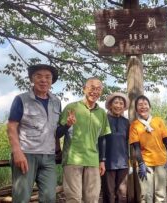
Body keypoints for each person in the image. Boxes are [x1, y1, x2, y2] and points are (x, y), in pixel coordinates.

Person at [7, 64, 61, 203]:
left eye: (47, 77)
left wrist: (58, 149)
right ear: (32, 79)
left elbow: (54, 129)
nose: (43, 80)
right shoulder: (21, 99)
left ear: (52, 81)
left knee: (49, 197)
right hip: (26, 154)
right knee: (22, 197)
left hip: (48, 156)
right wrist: (17, 152)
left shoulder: (56, 102)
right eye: (39, 76)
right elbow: (12, 127)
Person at [58, 77, 111, 203]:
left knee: (92, 199)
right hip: (72, 159)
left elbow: (102, 137)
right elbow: (57, 133)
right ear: (84, 89)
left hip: (93, 160)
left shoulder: (102, 113)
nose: (95, 91)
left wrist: (102, 161)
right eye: (92, 88)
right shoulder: (72, 107)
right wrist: (68, 125)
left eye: (98, 89)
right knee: (74, 199)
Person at [129, 95, 167, 203]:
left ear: (150, 106)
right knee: (146, 194)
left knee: (161, 194)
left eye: (145, 104)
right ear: (136, 109)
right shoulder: (135, 125)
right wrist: (140, 163)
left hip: (161, 161)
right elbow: (136, 146)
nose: (143, 107)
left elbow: (166, 140)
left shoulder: (158, 121)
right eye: (140, 105)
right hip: (145, 163)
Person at [102, 92, 130, 203]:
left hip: (123, 162)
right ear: (110, 105)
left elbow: (128, 141)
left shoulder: (126, 122)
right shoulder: (104, 119)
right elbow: (101, 140)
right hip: (107, 162)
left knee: (122, 192)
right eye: (116, 102)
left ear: (124, 107)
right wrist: (101, 160)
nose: (118, 105)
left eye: (121, 103)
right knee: (109, 192)